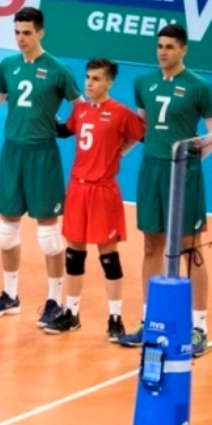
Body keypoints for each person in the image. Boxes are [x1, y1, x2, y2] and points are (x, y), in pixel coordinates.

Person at [118, 24, 212, 356]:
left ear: (183, 50)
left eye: (169, 47)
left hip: (184, 174)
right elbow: (143, 127)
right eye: (160, 46)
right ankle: (150, 321)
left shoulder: (199, 87)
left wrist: (191, 159)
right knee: (152, 246)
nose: (162, 52)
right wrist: (119, 153)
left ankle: (199, 328)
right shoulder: (143, 83)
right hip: (151, 170)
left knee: (190, 248)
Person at [0, 7, 83, 328]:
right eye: (17, 32)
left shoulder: (58, 70)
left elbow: (81, 109)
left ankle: (54, 301)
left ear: (40, 33)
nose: (21, 38)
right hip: (12, 153)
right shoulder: (8, 65)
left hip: (42, 155)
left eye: (26, 33)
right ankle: (10, 295)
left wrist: (65, 128)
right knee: (6, 231)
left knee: (49, 234)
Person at [46, 59, 146, 340]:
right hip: (78, 189)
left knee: (108, 254)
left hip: (103, 190)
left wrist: (121, 151)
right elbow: (64, 131)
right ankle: (71, 313)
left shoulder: (121, 113)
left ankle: (115, 318)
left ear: (109, 83)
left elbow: (142, 135)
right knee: (74, 252)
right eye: (88, 77)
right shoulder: (80, 110)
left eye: (96, 79)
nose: (89, 83)